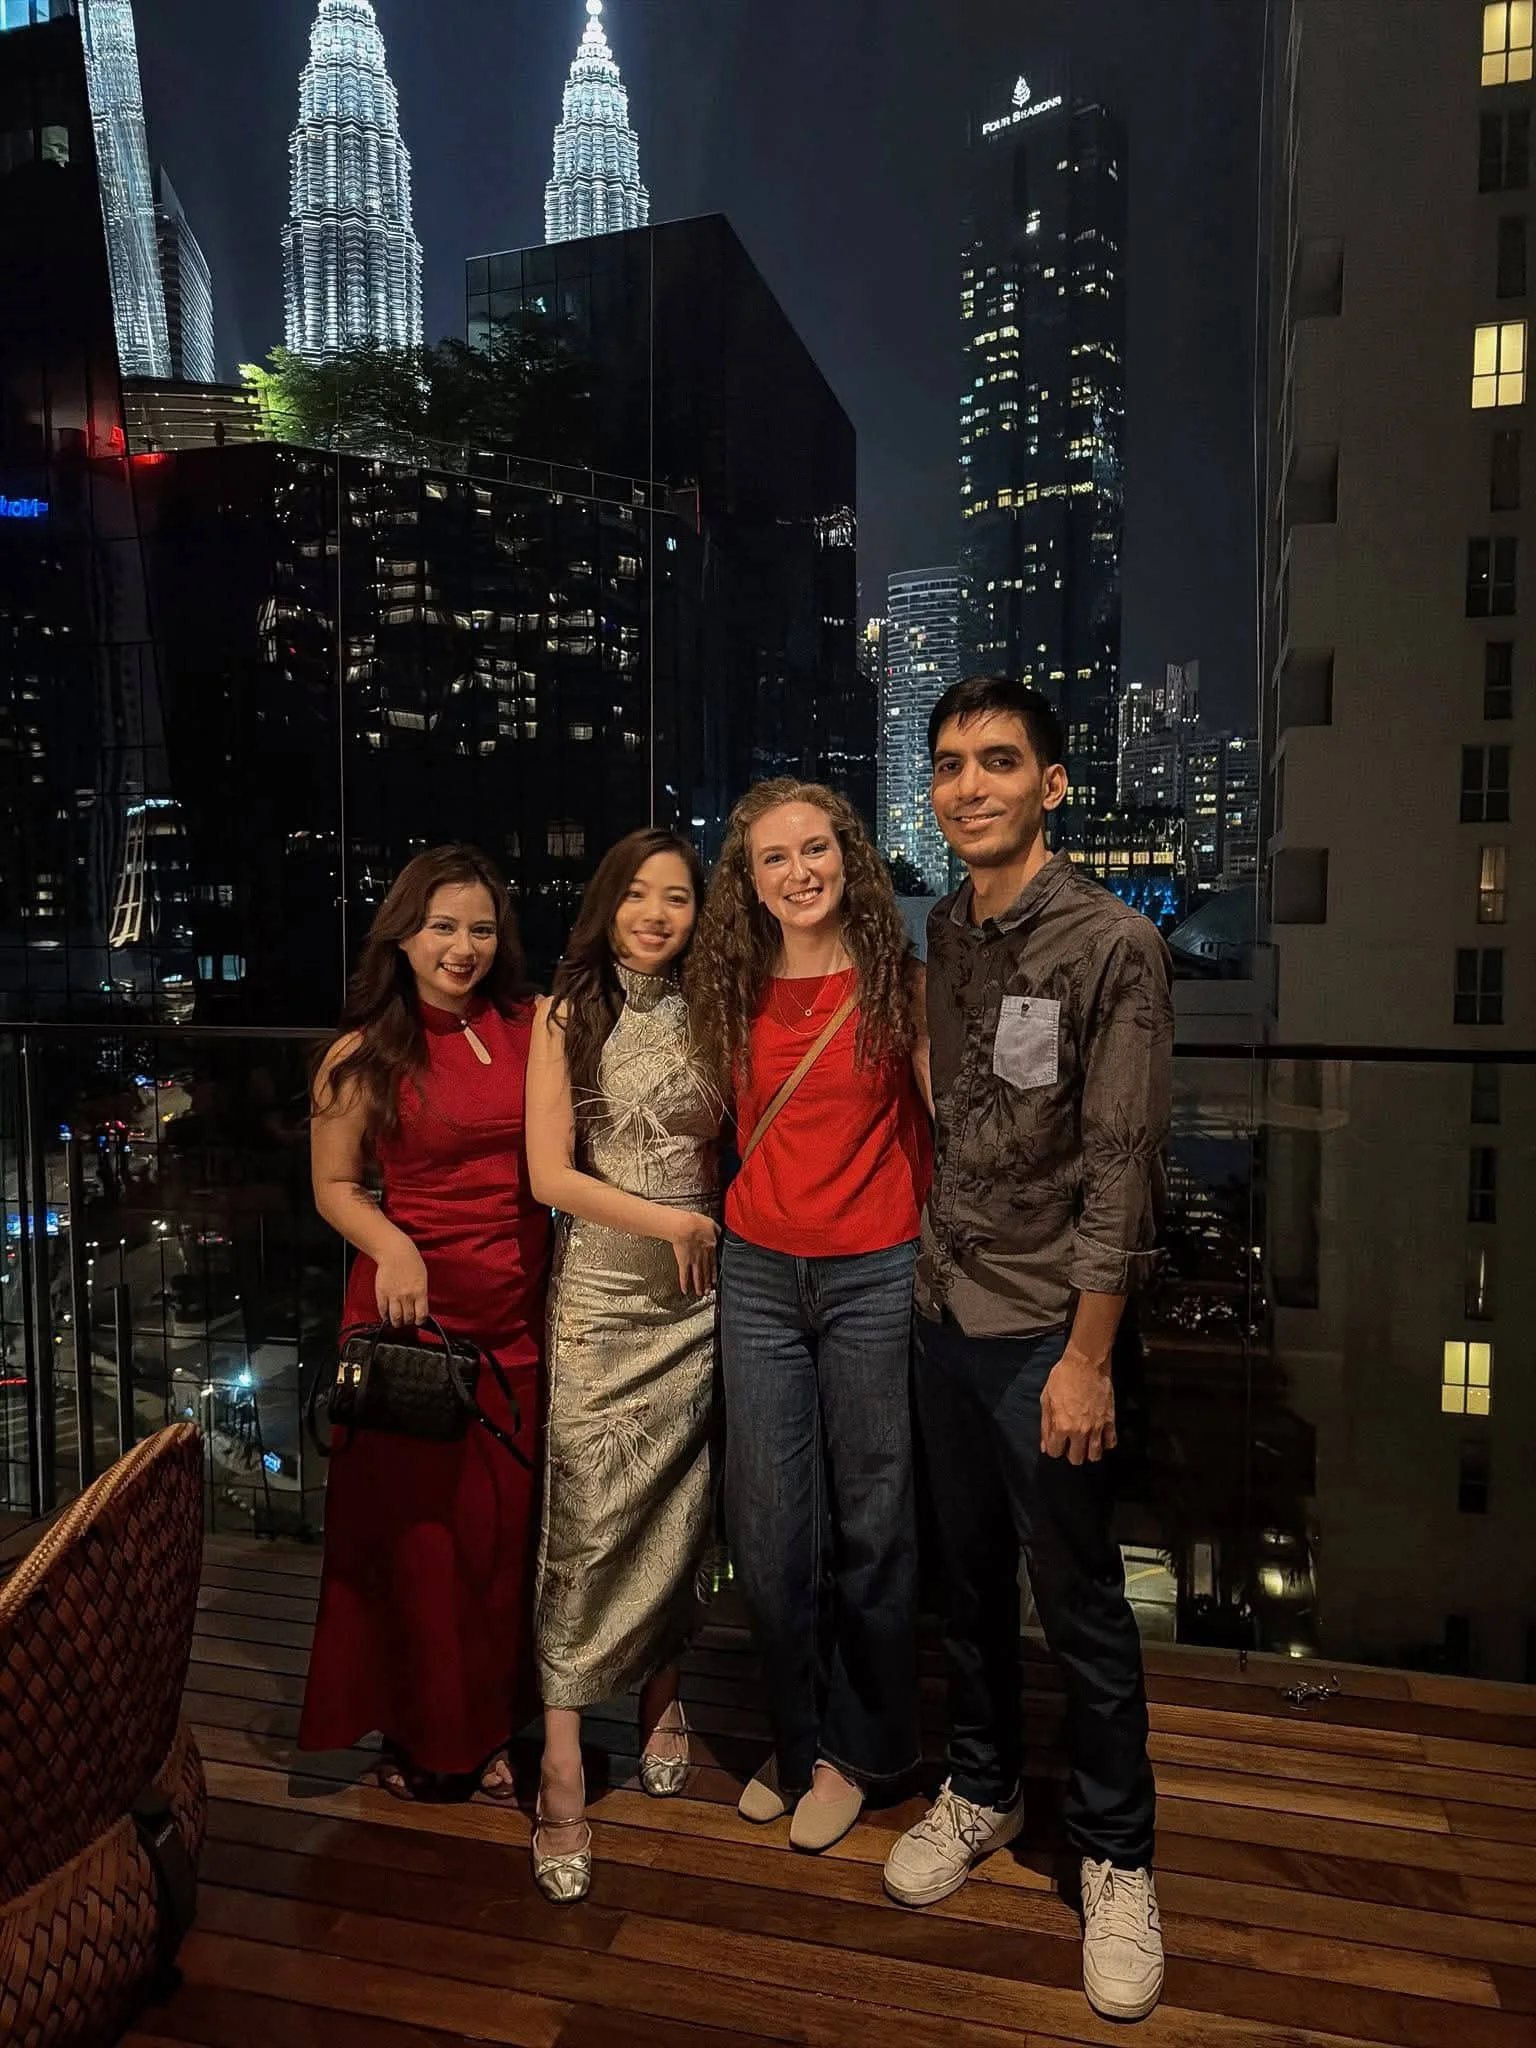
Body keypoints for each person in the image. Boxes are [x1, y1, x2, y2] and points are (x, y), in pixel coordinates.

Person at [882, 678, 1173, 2025]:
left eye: (998, 761)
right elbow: (960, 1104)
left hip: (1049, 1331)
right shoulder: (947, 927)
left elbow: (1122, 1165)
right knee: (967, 1582)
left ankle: (1117, 1856)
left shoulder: (1112, 942)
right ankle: (983, 1787)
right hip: (942, 1309)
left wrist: (1088, 1356)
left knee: (1083, 1601)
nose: (969, 785)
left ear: (1051, 784)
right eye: (950, 764)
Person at [688, 779, 931, 1855]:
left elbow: (953, 1116)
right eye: (774, 858)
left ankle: (861, 1750)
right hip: (757, 1273)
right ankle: (799, 1741)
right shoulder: (729, 989)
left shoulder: (898, 985)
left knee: (874, 1519)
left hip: (877, 1268)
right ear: (747, 882)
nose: (799, 872)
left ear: (850, 857)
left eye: (816, 849)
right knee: (768, 1528)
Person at [298, 846, 549, 1801]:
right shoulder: (363, 1052)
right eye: (442, 926)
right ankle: (426, 1737)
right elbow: (334, 1185)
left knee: (501, 1542)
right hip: (412, 1329)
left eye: (481, 929)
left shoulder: (531, 1025)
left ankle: (493, 1726)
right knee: (420, 1548)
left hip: (517, 1317)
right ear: (402, 934)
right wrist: (392, 1245)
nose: (463, 947)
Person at [523, 828, 722, 1903]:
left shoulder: (715, 1005)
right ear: (606, 904)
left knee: (679, 1506)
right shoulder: (564, 1014)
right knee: (587, 1520)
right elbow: (550, 1176)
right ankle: (562, 1760)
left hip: (698, 1300)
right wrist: (672, 1221)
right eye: (638, 894)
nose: (655, 914)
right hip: (603, 1296)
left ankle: (661, 1693)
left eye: (676, 897)